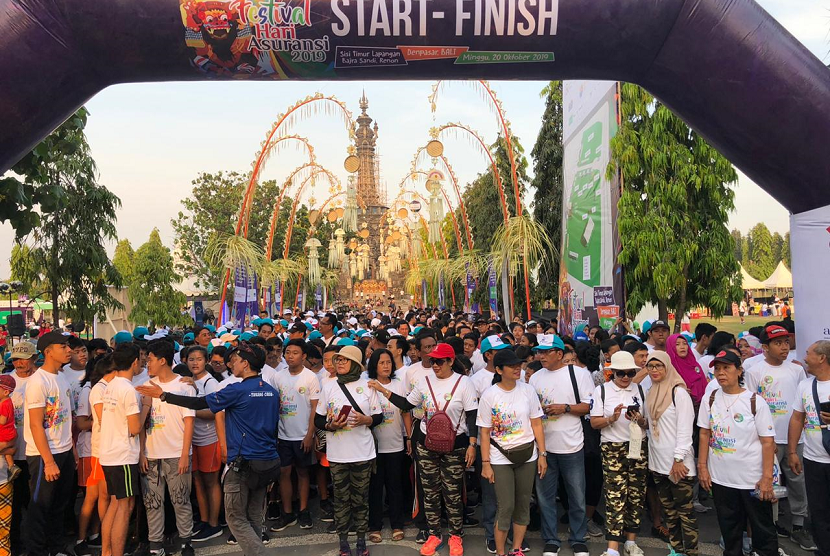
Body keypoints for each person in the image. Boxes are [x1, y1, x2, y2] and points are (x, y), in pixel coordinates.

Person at [139, 342, 280, 556]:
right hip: (268, 462)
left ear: (246, 363)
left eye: (236, 360)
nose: (231, 363)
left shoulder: (237, 390)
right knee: (253, 518)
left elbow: (199, 404)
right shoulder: (270, 391)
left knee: (235, 519)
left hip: (243, 465)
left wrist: (164, 395)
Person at [369, 343, 478, 556]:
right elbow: (407, 404)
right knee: (429, 493)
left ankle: (456, 535)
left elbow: (473, 416)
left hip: (455, 445)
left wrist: (472, 445)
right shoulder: (424, 382)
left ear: (450, 361)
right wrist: (383, 390)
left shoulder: (464, 383)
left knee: (453, 493)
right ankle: (434, 533)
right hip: (427, 445)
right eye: (432, 360)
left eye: (439, 361)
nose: (434, 365)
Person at [697, 350, 778, 556]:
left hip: (752, 480)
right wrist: (703, 468)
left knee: (763, 531)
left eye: (727, 368)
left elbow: (768, 443)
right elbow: (705, 434)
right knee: (730, 532)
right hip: (722, 479)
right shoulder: (710, 398)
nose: (721, 373)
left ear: (739, 371)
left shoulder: (754, 401)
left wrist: (767, 478)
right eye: (717, 368)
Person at [745, 325, 813, 548]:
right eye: (778, 343)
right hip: (768, 440)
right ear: (765, 347)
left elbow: (801, 405)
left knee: (797, 481)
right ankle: (770, 527)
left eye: (786, 342)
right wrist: (764, 439)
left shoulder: (796, 370)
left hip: (794, 438)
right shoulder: (755, 371)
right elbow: (751, 406)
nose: (784, 347)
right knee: (768, 482)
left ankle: (798, 525)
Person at [314, 345, 383, 556]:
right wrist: (330, 426)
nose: (339, 363)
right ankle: (343, 542)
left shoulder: (369, 385)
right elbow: (318, 418)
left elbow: (378, 417)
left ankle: (361, 541)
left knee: (361, 499)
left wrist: (366, 419)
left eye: (344, 360)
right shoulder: (329, 386)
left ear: (355, 363)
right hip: (337, 455)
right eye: (338, 360)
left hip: (362, 452)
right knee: (341, 499)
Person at [478, 348, 547, 556]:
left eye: (519, 364)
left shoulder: (528, 390)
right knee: (505, 506)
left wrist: (542, 454)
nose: (518, 368)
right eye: (512, 366)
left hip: (528, 454)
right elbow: (484, 433)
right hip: (500, 457)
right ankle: (501, 552)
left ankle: (516, 549)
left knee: (523, 505)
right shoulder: (489, 395)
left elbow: (536, 424)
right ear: (499, 370)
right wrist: (485, 463)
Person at [530, 334, 592, 556]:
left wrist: (565, 408)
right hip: (544, 448)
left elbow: (588, 406)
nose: (541, 356)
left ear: (559, 353)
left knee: (576, 495)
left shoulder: (579, 375)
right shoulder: (535, 378)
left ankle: (578, 538)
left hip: (572, 445)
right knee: (545, 497)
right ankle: (551, 539)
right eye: (539, 352)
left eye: (546, 352)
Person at [590, 351, 648, 556]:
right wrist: (611, 419)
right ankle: (613, 546)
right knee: (615, 496)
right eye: (620, 373)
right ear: (612, 372)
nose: (625, 377)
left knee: (636, 495)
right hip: (612, 447)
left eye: (630, 373)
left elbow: (647, 423)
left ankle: (631, 541)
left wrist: (639, 418)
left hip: (637, 446)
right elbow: (594, 422)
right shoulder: (602, 391)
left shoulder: (640, 389)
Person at [140, 340, 196, 556]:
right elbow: (143, 422)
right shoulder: (146, 386)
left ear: (163, 360)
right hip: (151, 455)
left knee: (180, 500)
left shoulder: (183, 387)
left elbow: (189, 422)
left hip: (176, 454)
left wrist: (184, 455)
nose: (147, 364)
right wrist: (141, 452)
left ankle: (185, 542)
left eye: (150, 360)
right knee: (152, 502)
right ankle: (156, 545)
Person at [23, 331, 76, 556]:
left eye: (68, 346)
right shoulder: (38, 381)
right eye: (62, 346)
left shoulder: (61, 376)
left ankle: (56, 548)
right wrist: (49, 461)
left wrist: (72, 450)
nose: (68, 350)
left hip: (64, 450)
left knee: (59, 506)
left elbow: (67, 418)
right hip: (45, 455)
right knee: (39, 508)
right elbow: (36, 425)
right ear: (48, 352)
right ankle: (35, 551)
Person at [643, 351, 699, 556]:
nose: (654, 370)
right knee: (669, 512)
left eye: (659, 366)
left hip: (678, 465)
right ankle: (676, 550)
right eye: (650, 366)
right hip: (658, 463)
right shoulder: (651, 391)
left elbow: (685, 430)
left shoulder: (678, 393)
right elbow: (652, 425)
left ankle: (691, 551)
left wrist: (678, 459)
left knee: (685, 513)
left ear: (668, 367)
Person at [271, 339, 320, 532]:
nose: (290, 356)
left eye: (295, 353)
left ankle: (304, 509)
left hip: (302, 435)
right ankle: (287, 512)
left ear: (304, 356)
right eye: (288, 352)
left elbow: (315, 408)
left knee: (302, 472)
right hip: (283, 436)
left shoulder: (310, 378)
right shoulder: (277, 377)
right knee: (283, 472)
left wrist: (310, 435)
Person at [100, 344, 144, 556]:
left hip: (109, 453)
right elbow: (135, 428)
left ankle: (106, 552)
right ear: (135, 362)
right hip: (123, 455)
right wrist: (146, 408)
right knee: (125, 509)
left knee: (115, 504)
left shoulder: (110, 385)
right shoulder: (128, 390)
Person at [787, 340, 830, 556]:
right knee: (819, 512)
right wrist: (793, 452)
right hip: (813, 461)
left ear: (822, 358)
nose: (804, 358)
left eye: (808, 353)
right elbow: (796, 419)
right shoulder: (805, 385)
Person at [366, 348, 410, 543]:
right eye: (381, 362)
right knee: (375, 488)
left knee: (395, 486)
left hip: (395, 444)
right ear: (374, 365)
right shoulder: (367, 386)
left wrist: (408, 437)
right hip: (373, 446)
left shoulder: (399, 385)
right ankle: (374, 525)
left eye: (388, 362)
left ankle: (397, 524)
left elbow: (406, 411)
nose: (386, 366)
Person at [186, 346, 224, 542]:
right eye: (191, 359)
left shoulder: (210, 383)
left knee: (211, 482)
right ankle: (203, 519)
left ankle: (214, 523)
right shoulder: (187, 382)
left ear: (206, 361)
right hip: (193, 440)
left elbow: (214, 413)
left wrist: (188, 412)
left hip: (209, 439)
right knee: (198, 482)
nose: (195, 363)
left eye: (199, 359)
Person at [8, 341, 36, 555]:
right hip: (13, 454)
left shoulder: (41, 380)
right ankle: (15, 544)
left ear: (34, 358)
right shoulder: (6, 382)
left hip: (36, 452)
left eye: (23, 358)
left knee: (36, 502)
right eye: (16, 359)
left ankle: (37, 543)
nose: (19, 363)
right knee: (15, 504)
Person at [666, 333, 707, 408]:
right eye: (677, 344)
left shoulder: (694, 364)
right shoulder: (668, 368)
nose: (682, 347)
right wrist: (677, 391)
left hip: (700, 406)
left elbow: (704, 384)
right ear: (671, 347)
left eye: (685, 344)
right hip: (678, 407)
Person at [0, 376, 18, 479]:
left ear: (6, 392)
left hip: (5, 433)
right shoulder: (6, 402)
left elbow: (3, 421)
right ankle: (12, 466)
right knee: (8, 453)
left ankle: (11, 454)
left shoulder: (4, 404)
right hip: (8, 432)